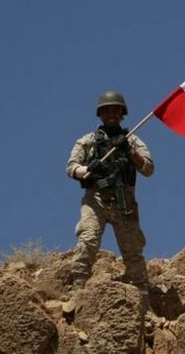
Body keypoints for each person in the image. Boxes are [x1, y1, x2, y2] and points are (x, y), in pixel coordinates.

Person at [66, 91, 154, 292]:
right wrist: (88, 170)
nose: (112, 115)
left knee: (132, 248)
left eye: (116, 111)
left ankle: (142, 291)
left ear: (122, 114)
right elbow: (71, 167)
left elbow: (148, 168)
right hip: (96, 200)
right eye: (107, 111)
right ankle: (77, 287)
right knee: (88, 239)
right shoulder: (87, 141)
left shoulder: (132, 140)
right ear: (100, 114)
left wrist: (129, 152)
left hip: (124, 202)